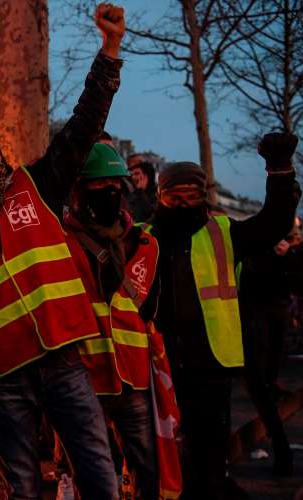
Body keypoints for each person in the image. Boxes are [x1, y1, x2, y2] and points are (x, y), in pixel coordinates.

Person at [0, 4, 126, 497]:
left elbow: (82, 127)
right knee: (22, 487)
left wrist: (109, 51)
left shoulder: (37, 185)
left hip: (61, 361)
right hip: (3, 377)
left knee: (97, 472)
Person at [144, 132, 300, 498]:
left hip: (211, 364)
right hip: (160, 364)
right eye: (174, 197)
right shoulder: (144, 239)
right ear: (160, 197)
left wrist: (280, 171)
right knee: (167, 448)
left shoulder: (224, 232)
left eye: (191, 196)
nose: (183, 204)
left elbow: (273, 224)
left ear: (203, 196)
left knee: (210, 448)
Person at [64, 144, 180, 500]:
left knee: (148, 472)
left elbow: (154, 308)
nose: (111, 190)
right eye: (100, 184)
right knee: (95, 476)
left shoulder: (145, 243)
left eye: (116, 183)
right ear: (79, 189)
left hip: (134, 378)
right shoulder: (61, 243)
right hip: (85, 378)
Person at [239, 229, 300, 476]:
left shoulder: (255, 249)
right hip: (272, 314)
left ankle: (282, 448)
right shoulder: (275, 249)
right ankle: (282, 448)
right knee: (263, 383)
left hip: (259, 319)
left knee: (259, 385)